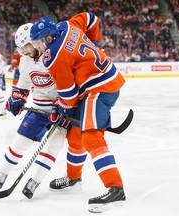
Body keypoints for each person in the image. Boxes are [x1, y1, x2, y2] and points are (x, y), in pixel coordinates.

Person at [30, 12, 126, 213]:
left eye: (39, 42)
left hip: (98, 89)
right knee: (75, 134)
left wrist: (63, 109)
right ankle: (74, 179)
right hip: (104, 78)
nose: (38, 47)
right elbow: (90, 18)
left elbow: (69, 93)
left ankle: (115, 188)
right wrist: (94, 41)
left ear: (48, 38)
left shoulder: (53, 55)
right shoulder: (67, 25)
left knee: (91, 137)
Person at [0, 23, 69, 199]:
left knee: (53, 146)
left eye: (25, 47)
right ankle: (2, 173)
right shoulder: (25, 60)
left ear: (35, 42)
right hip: (39, 107)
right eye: (21, 49)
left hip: (61, 109)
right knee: (21, 140)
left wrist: (62, 104)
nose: (23, 52)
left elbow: (68, 84)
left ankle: (34, 182)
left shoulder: (54, 55)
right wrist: (17, 98)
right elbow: (24, 83)